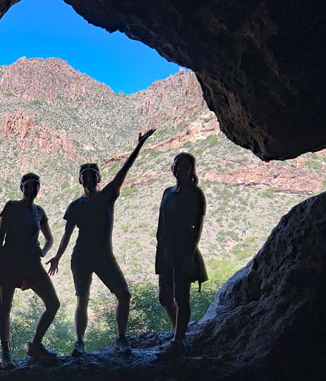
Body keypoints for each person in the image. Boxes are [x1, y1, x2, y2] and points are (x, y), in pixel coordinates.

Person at [47, 129, 156, 357]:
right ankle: (79, 343)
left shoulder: (109, 195)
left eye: (92, 175)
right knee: (82, 300)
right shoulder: (75, 206)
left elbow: (124, 170)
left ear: (98, 179)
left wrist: (139, 145)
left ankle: (121, 338)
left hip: (105, 256)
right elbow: (67, 234)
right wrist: (57, 256)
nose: (88, 179)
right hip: (82, 258)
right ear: (80, 180)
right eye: (85, 175)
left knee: (124, 296)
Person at [0, 172, 60, 366]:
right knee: (5, 307)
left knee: (53, 303)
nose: (33, 189)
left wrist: (44, 252)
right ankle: (5, 353)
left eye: (36, 186)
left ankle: (36, 345)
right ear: (22, 187)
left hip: (32, 262)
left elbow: (49, 238)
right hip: (10, 262)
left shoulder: (39, 211)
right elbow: (0, 237)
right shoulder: (11, 206)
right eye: (29, 185)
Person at [155, 153, 208, 352]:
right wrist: (159, 244)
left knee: (181, 295)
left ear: (191, 169)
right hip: (165, 248)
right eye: (178, 166)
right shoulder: (167, 192)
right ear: (173, 168)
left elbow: (198, 225)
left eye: (185, 166)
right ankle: (178, 332)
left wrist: (190, 254)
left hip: (183, 248)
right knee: (164, 296)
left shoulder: (195, 194)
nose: (180, 170)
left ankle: (179, 339)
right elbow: (161, 220)